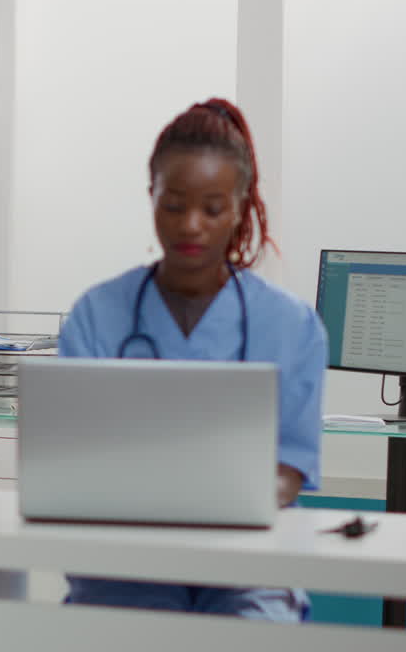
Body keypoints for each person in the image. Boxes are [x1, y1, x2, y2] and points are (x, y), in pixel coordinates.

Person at [58, 98, 325, 621]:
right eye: (174, 205)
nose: (191, 225)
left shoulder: (291, 326)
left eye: (212, 208)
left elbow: (290, 470)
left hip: (247, 570)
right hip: (124, 569)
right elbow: (67, 462)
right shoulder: (96, 315)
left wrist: (191, 502)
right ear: (151, 197)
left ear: (239, 206)